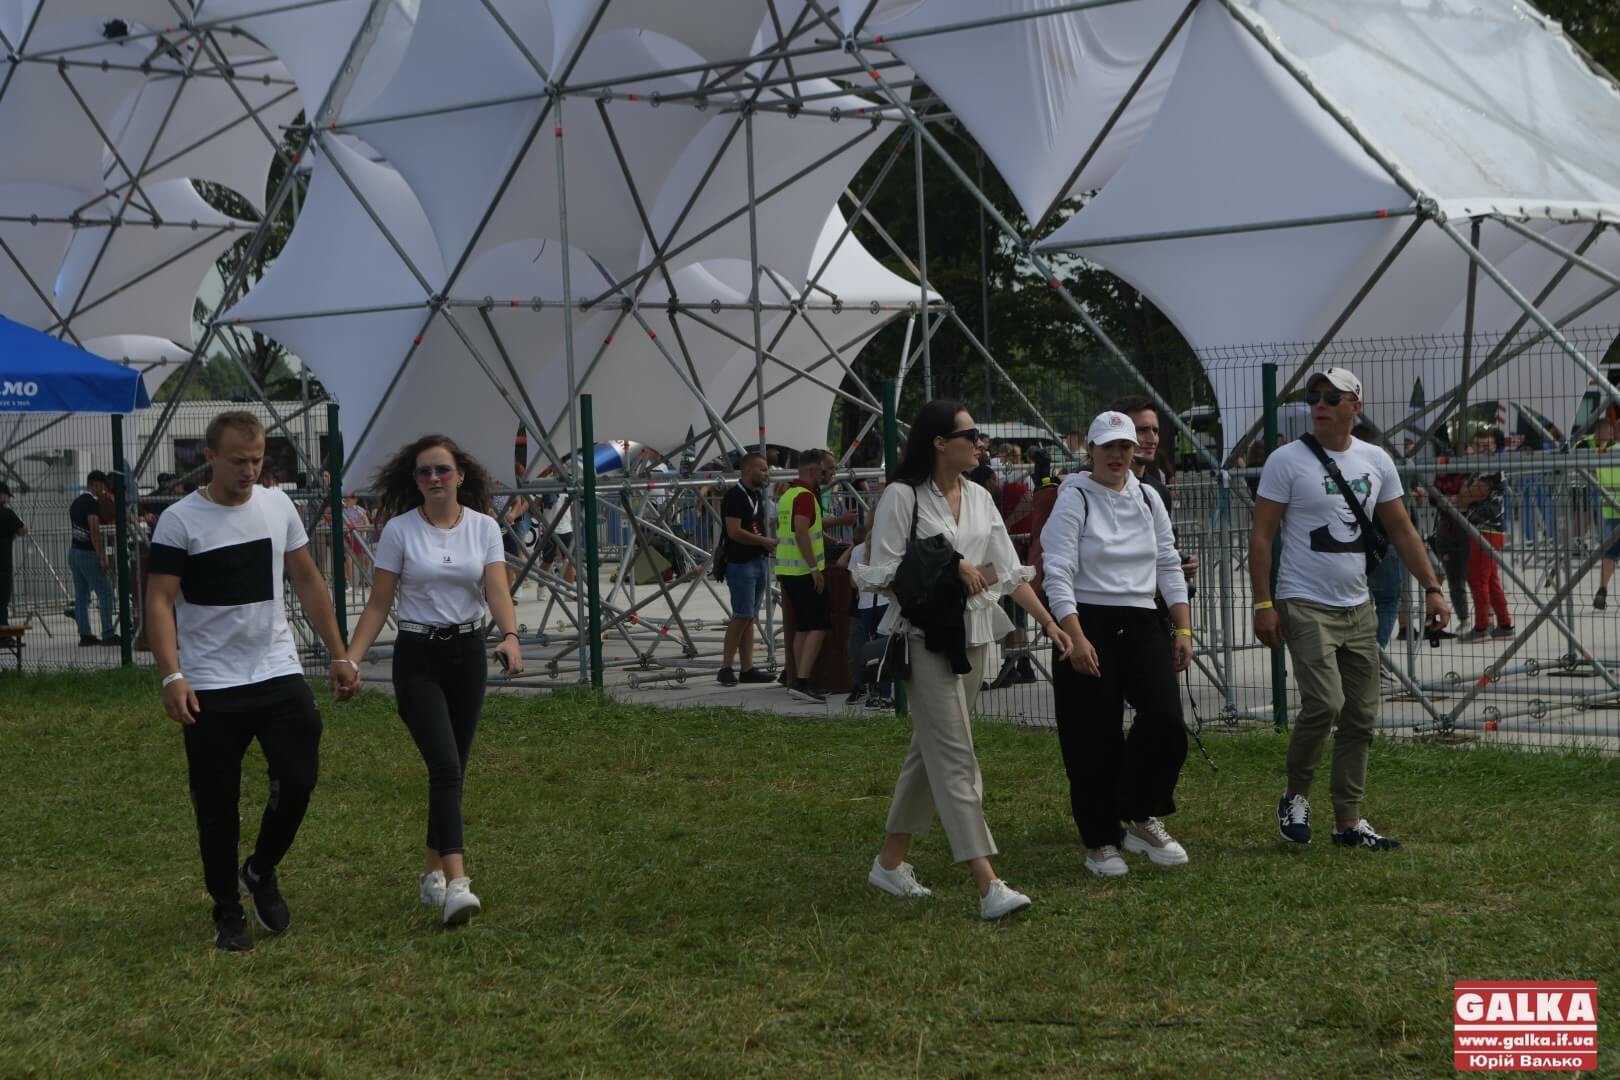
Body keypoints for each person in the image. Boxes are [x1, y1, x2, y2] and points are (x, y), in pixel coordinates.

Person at [145, 411, 359, 952]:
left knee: (299, 778)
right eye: (238, 460)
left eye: (257, 460)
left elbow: (307, 579)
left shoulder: (277, 506)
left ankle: (260, 869)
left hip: (276, 669)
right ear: (210, 458)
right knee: (216, 805)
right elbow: (160, 600)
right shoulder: (179, 520)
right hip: (210, 682)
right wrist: (172, 674)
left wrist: (338, 653)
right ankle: (227, 909)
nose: (249, 470)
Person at [854, 399, 1073, 921]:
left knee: (929, 751)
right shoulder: (902, 496)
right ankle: (988, 883)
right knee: (956, 756)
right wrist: (951, 566)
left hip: (974, 637)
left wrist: (1049, 623)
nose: (981, 444)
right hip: (925, 638)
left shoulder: (979, 496)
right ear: (939, 442)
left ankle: (889, 864)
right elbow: (882, 571)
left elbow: (1008, 571)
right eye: (971, 435)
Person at [1249, 369, 1450, 852]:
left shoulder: (1375, 459)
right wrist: (1263, 603)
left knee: (1361, 714)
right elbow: (1262, 535)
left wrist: (1432, 587)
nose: (1319, 404)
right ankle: (1295, 797)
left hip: (1357, 605)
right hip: (1303, 600)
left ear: (1354, 407)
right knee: (1325, 703)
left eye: (1331, 397)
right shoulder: (1286, 460)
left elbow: (1401, 530)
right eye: (1314, 397)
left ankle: (1348, 822)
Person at [345, 435, 524, 928]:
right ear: (415, 480)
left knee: (452, 771)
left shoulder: (484, 527)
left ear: (460, 475)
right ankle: (458, 885)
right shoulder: (400, 530)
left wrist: (510, 635)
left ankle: (431, 874)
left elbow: (496, 588)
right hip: (417, 657)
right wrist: (351, 661)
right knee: (445, 765)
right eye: (424, 472)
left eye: (442, 470)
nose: (434, 478)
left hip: (466, 655)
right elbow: (379, 604)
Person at [1041, 411, 1193, 876]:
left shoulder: (1148, 497)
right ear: (1091, 450)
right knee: (1092, 735)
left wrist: (1183, 627)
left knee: (1166, 722)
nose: (1118, 455)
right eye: (1108, 447)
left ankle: (1138, 812)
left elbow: (1167, 562)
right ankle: (1100, 839)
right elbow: (1057, 570)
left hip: (1142, 618)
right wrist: (1075, 636)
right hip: (1087, 618)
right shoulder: (1074, 497)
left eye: (1125, 446)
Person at [776, 449, 831, 703]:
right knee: (818, 625)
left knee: (804, 626)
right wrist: (814, 568)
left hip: (788, 570)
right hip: (802, 571)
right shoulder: (806, 496)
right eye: (822, 471)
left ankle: (797, 680)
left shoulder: (789, 494)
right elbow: (801, 532)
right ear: (812, 471)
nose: (824, 476)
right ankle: (803, 680)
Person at [718, 451, 777, 687]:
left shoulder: (755, 495)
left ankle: (747, 667)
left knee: (749, 617)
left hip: (758, 560)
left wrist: (763, 544)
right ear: (748, 470)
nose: (766, 474)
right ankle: (726, 667)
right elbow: (733, 531)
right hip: (741, 563)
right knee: (741, 615)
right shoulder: (735, 496)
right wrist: (762, 540)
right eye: (762, 469)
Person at [1456, 428, 1513, 641]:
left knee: (1478, 578)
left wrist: (1463, 497)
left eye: (1485, 446)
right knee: (1489, 578)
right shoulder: (1477, 469)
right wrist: (1463, 496)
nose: (1480, 450)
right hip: (1481, 529)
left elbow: (1471, 495)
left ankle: (1482, 627)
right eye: (1477, 445)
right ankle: (1504, 624)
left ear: (1495, 446)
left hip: (1487, 530)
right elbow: (1464, 494)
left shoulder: (1491, 468)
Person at [837, 516, 894, 710]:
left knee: (869, 651)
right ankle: (887, 695)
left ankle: (873, 694)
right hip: (885, 603)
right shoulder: (889, 547)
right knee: (886, 650)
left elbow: (853, 583)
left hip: (865, 605)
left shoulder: (858, 550)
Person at [68, 469, 117, 646]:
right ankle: (108, 634)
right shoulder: (92, 503)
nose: (103, 491)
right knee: (106, 593)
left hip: (74, 551)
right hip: (88, 553)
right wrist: (102, 557)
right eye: (103, 486)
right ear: (95, 484)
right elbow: (94, 530)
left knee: (82, 596)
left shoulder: (76, 502)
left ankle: (85, 635)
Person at [0, 482, 26, 625]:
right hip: (3, 564)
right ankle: (3, 630)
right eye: (7, 496)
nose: (8, 499)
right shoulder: (8, 514)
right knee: (2, 599)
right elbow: (22, 531)